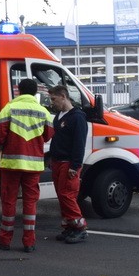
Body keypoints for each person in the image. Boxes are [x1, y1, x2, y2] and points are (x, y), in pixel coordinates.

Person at [0, 78, 53, 253]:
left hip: (11, 163)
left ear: (18, 90)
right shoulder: (43, 112)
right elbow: (48, 135)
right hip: (33, 165)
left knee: (9, 200)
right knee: (30, 202)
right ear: (35, 92)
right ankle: (29, 242)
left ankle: (4, 240)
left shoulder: (9, 108)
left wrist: (5, 143)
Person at [48, 85, 88, 244]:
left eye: (54, 99)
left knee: (67, 195)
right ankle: (69, 227)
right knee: (62, 196)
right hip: (58, 162)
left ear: (63, 96)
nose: (52, 103)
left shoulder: (77, 117)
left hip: (68, 163)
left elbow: (79, 143)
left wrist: (75, 165)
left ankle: (80, 228)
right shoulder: (59, 116)